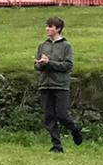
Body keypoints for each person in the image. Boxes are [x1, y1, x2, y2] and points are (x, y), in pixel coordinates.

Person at [34, 16, 83, 152]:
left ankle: (75, 129)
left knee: (62, 115)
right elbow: (36, 66)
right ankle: (56, 146)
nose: (47, 29)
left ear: (58, 29)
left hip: (61, 85)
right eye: (47, 26)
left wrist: (50, 63)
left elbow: (68, 65)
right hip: (45, 84)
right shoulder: (42, 46)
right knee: (49, 117)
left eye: (50, 27)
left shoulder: (66, 46)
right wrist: (40, 64)